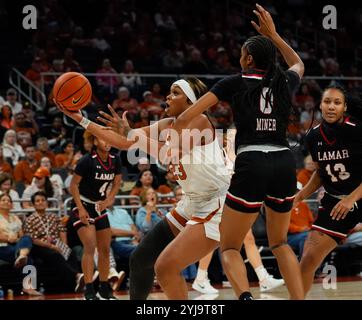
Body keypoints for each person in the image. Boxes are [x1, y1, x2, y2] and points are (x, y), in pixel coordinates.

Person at [54, 76, 230, 300]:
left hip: (217, 203)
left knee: (165, 267)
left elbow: (167, 153)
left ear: (190, 102)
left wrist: (131, 134)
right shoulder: (167, 125)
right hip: (192, 201)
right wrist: (82, 119)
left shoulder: (200, 121)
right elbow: (124, 142)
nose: (168, 96)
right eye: (169, 91)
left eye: (175, 93)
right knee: (140, 258)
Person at [175, 4, 305, 300]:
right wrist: (273, 35)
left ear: (247, 58)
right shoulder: (283, 82)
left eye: (242, 53)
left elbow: (185, 118)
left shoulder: (233, 82)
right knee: (280, 243)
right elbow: (298, 63)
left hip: (252, 162)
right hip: (285, 162)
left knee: (230, 246)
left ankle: (245, 297)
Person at [293, 84, 362, 298]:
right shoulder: (313, 136)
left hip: (356, 196)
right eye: (327, 102)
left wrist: (352, 199)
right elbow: (321, 173)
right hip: (335, 203)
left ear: (344, 107)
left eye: (337, 103)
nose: (331, 106)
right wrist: (301, 195)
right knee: (307, 261)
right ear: (320, 105)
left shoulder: (357, 130)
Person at [68, 133, 122, 300]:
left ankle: (105, 289)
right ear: (95, 141)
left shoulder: (116, 159)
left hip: (99, 206)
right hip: (82, 204)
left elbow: (117, 182)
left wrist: (109, 199)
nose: (107, 142)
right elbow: (73, 185)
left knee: (105, 249)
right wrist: (80, 208)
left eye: (109, 139)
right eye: (104, 138)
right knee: (90, 246)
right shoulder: (86, 160)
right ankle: (89, 289)